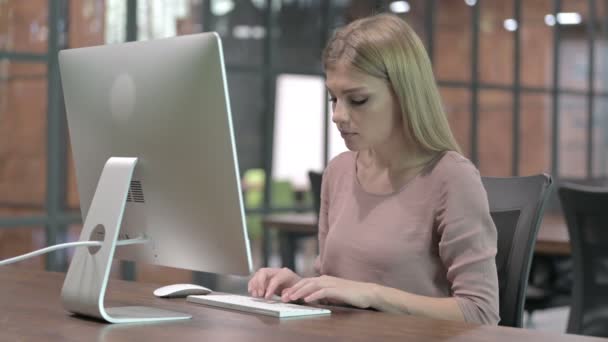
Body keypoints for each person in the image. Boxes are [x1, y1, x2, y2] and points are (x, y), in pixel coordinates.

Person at [248, 13, 499, 325]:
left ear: (404, 96)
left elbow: (481, 313)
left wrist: (374, 294)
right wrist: (298, 288)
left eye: (358, 100)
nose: (338, 115)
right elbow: (337, 290)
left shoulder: (452, 178)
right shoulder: (337, 172)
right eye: (334, 99)